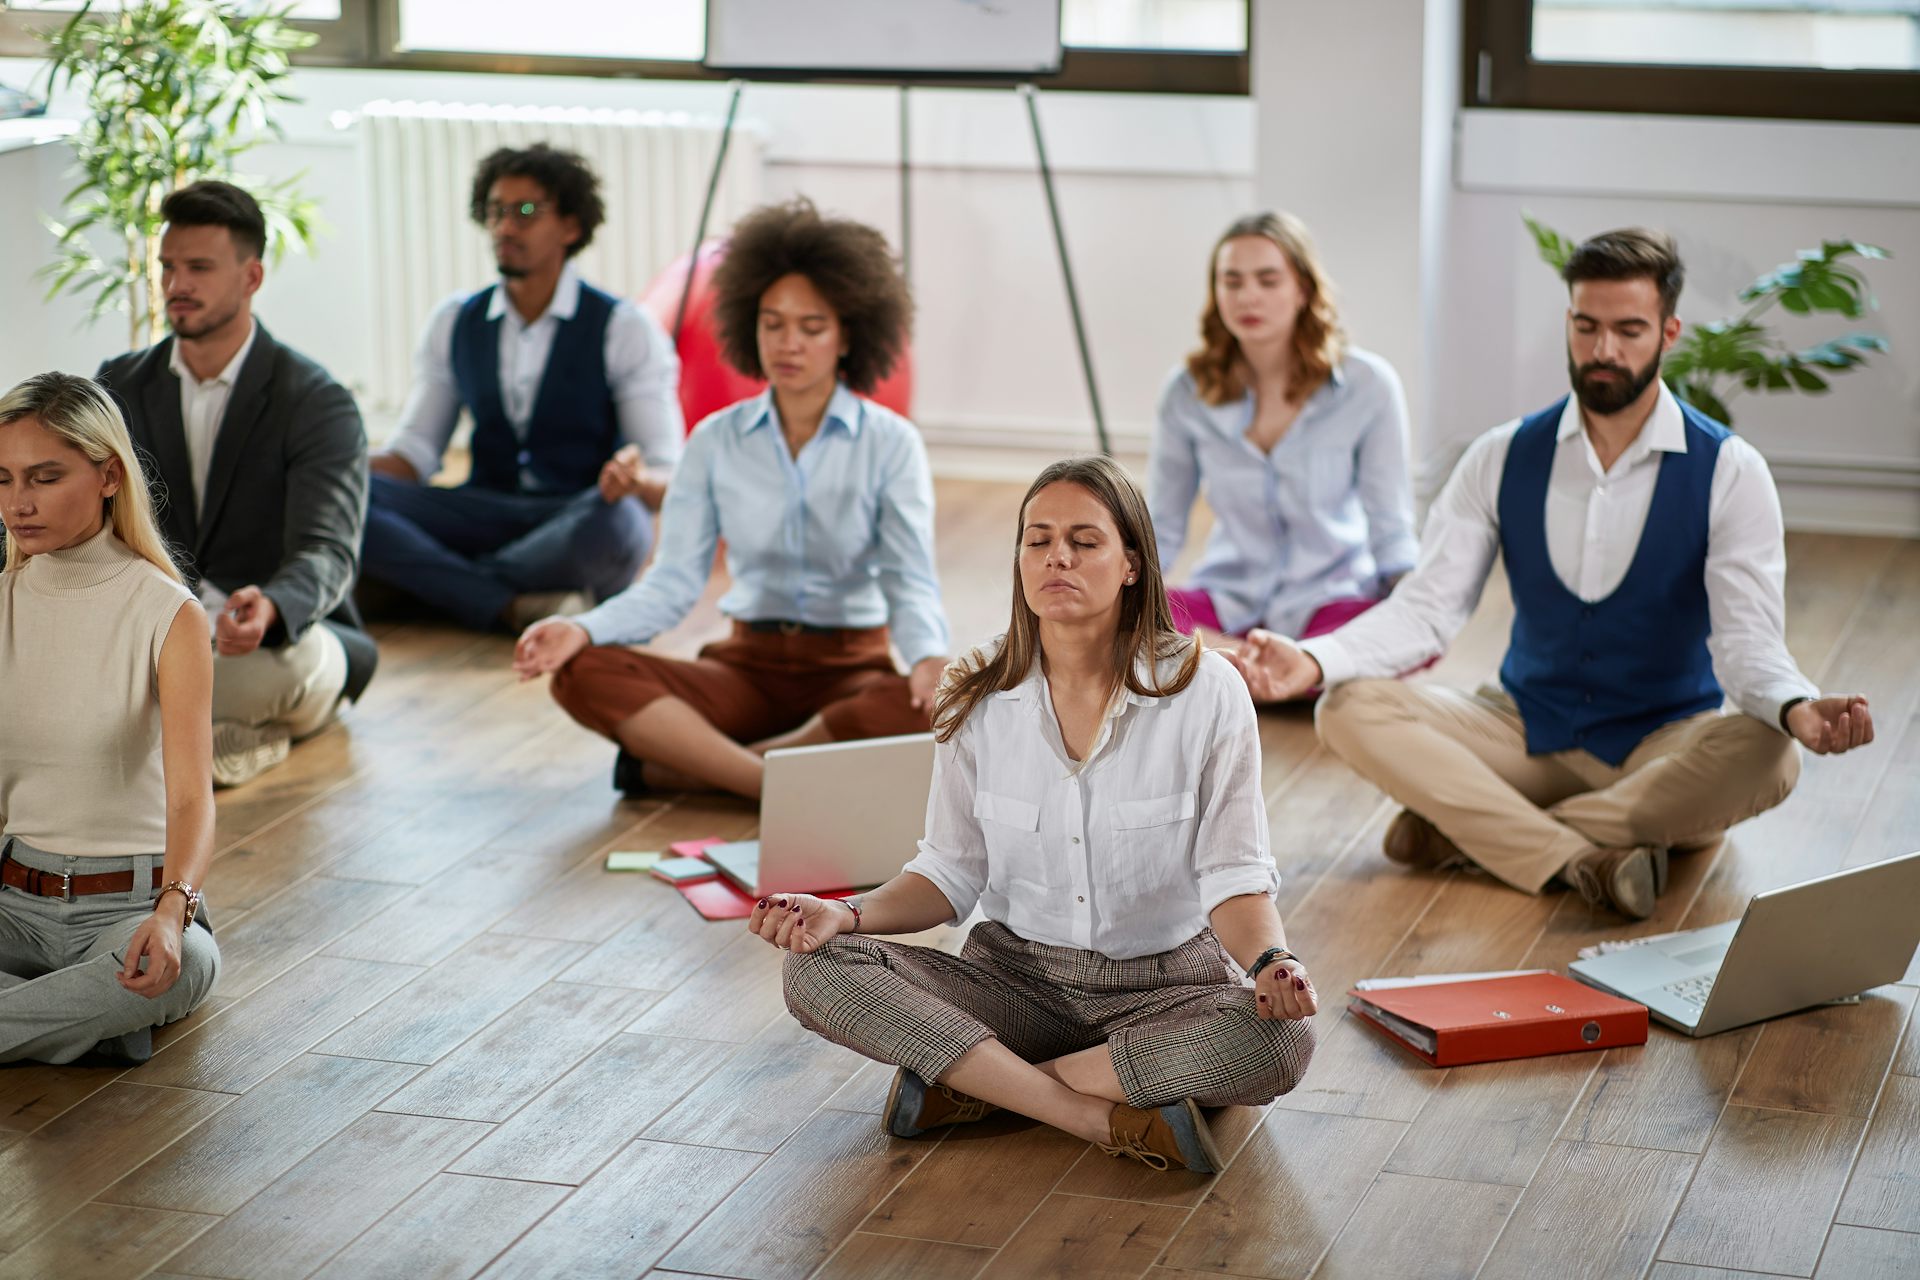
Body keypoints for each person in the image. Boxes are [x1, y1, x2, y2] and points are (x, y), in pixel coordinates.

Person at [1229, 228, 1875, 920]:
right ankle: (1583, 853)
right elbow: (1427, 609)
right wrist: (1312, 659)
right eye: (1587, 326)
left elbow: (1747, 643)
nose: (1604, 351)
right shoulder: (1502, 455)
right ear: (1568, 322)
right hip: (1522, 728)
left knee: (1771, 753)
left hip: (1662, 745)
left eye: (1629, 330)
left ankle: (1476, 834)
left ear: (1670, 332)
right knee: (1348, 708)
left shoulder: (1731, 471)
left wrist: (1796, 706)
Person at [748, 456, 1317, 1174]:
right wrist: (845, 914)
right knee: (814, 969)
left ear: (1132, 564)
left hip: (1167, 988)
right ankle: (1091, 1113)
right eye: (1037, 538)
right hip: (1012, 985)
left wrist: (1272, 962)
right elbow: (948, 873)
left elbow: (1234, 874)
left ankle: (982, 1085)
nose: (1057, 557)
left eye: (1084, 541)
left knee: (1280, 1042)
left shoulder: (1207, 690)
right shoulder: (973, 688)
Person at [514, 199, 952, 800]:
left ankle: (691, 770)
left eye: (811, 326)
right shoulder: (715, 439)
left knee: (941, 708)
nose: (787, 343)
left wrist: (928, 657)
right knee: (582, 670)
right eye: (772, 323)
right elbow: (671, 585)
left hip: (850, 677)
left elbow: (910, 579)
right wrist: (583, 628)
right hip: (743, 671)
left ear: (849, 333)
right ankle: (769, 783)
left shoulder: (891, 442)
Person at [96, 180, 376, 788]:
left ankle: (163, 753)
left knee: (230, 680)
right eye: (168, 266)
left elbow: (327, 551)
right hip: (157, 635)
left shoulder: (317, 401)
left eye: (199, 267)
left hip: (278, 642)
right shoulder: (119, 385)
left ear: (252, 278)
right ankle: (222, 747)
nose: (176, 285)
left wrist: (274, 606)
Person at [362, 143, 684, 631]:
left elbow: (666, 475)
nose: (505, 228)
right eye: (495, 212)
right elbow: (415, 455)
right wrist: (336, 465)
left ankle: (435, 587)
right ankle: (507, 604)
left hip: (575, 514)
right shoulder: (456, 320)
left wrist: (636, 479)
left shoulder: (624, 327)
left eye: (526, 212)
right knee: (346, 497)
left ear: (572, 227)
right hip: (481, 510)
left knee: (618, 526)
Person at [0, 372, 220, 1064]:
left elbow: (191, 797)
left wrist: (170, 911)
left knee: (169, 971)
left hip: (131, 910)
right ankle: (75, 1026)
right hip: (12, 901)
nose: (17, 503)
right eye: (2, 480)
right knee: (109, 1002)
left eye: (43, 477)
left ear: (109, 476)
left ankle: (79, 1019)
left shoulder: (168, 613)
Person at [1150, 212, 1418, 667]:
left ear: (1303, 290)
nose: (1247, 296)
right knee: (1126, 620)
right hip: (1227, 600)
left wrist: (1413, 609)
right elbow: (1162, 525)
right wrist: (1117, 593)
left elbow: (1390, 526)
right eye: (1231, 282)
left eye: (1268, 280)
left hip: (1331, 602)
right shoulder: (1186, 392)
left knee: (1400, 633)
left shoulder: (1368, 385)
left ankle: (1237, 670)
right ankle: (1271, 669)